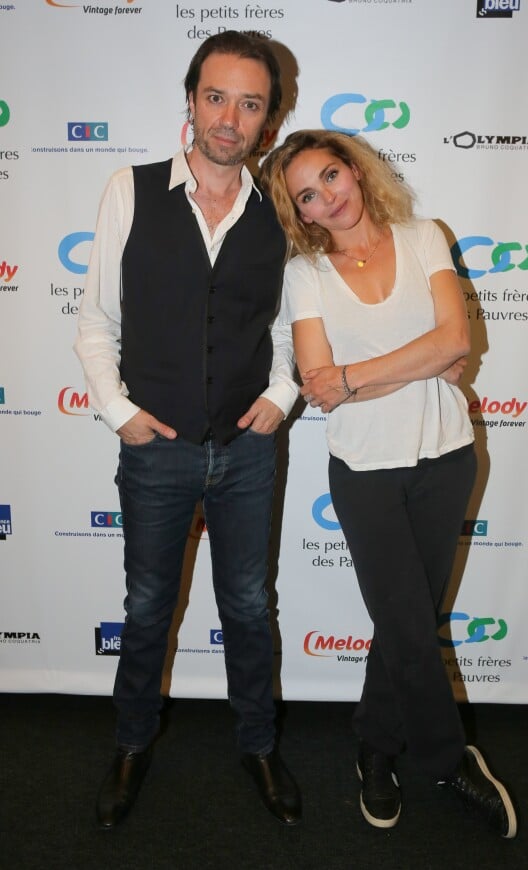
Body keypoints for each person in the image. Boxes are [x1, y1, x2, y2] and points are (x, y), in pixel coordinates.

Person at [260, 129, 517, 838]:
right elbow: (322, 387)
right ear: (300, 213)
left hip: (447, 458)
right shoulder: (305, 274)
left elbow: (456, 342)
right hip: (365, 472)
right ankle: (447, 759)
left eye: (331, 176)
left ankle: (375, 747)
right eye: (306, 195)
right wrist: (413, 361)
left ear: (356, 171)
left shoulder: (424, 234)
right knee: (407, 622)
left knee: (403, 625)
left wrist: (359, 373)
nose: (326, 198)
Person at [74, 31, 302, 829]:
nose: (230, 118)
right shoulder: (128, 190)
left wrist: (282, 392)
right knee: (144, 608)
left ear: (268, 118)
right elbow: (97, 320)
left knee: (247, 604)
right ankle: (132, 744)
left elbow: (289, 325)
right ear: (192, 99)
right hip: (156, 449)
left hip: (248, 449)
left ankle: (259, 743)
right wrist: (120, 414)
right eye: (216, 97)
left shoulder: (281, 208)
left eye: (249, 103)